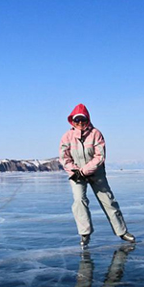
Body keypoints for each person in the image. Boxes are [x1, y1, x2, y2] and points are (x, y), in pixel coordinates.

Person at [59, 103, 135, 246]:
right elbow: (64, 157)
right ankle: (85, 233)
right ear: (72, 121)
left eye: (83, 119)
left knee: (109, 201)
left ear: (87, 119)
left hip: (96, 173)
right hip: (76, 174)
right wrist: (75, 171)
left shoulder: (96, 134)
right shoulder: (67, 136)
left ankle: (122, 232)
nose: (80, 123)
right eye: (77, 120)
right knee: (79, 200)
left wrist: (85, 170)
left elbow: (99, 156)